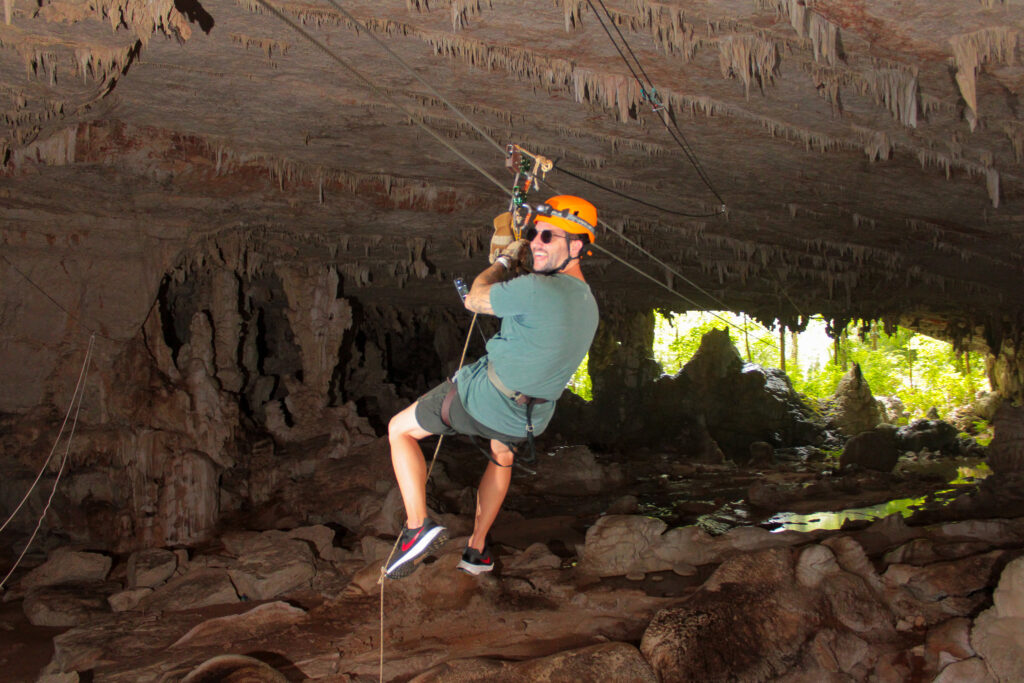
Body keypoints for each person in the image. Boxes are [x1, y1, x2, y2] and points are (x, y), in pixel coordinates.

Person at [384, 195, 600, 579]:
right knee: (501, 454)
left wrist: (500, 262)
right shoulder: (587, 303)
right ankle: (476, 550)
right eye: (535, 233)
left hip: (483, 400)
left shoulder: (536, 288)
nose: (536, 241)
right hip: (529, 420)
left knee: (399, 429)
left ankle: (417, 526)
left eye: (549, 236)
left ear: (577, 246)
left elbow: (475, 298)